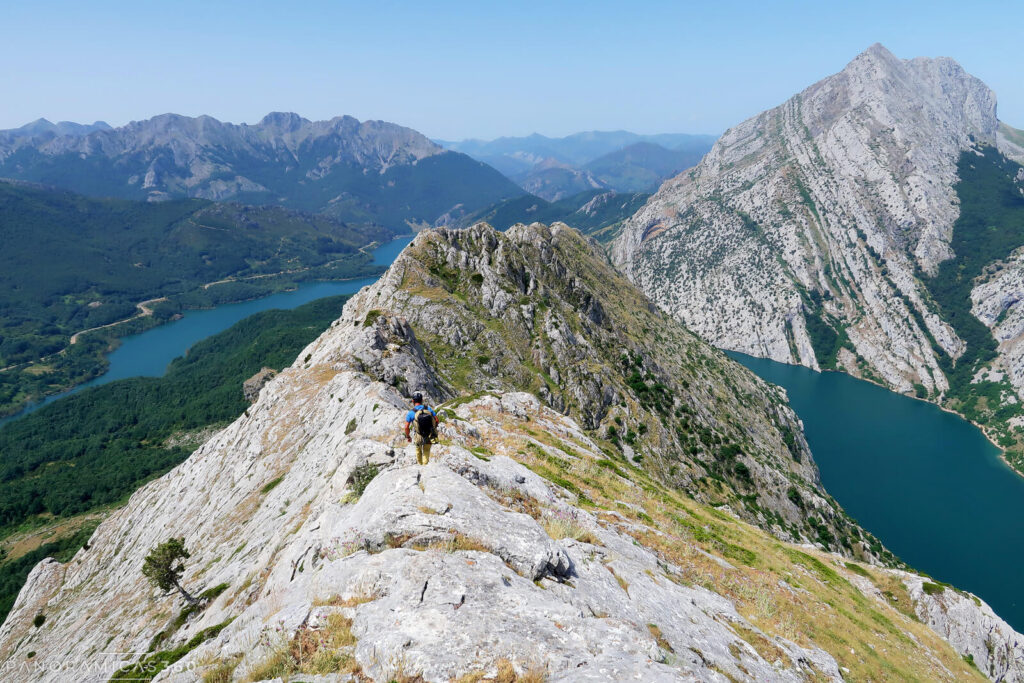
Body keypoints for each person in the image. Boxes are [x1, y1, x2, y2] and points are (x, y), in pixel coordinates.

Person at [404, 392, 438, 465]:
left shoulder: (411, 413)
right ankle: (425, 466)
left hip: (418, 436)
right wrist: (433, 429)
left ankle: (419, 465)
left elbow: (406, 427)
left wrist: (408, 436)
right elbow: (436, 420)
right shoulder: (428, 409)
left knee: (418, 450)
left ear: (413, 401)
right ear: (422, 400)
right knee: (426, 451)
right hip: (429, 434)